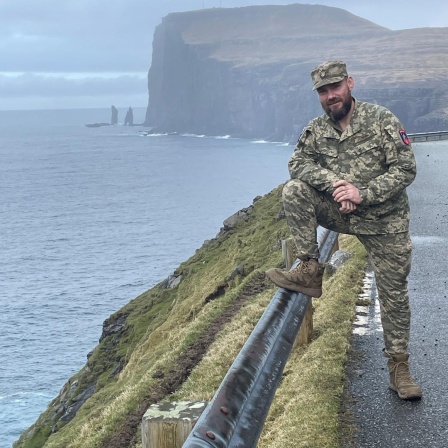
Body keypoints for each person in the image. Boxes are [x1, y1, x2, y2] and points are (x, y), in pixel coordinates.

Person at [266, 60, 422, 400]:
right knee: (293, 190)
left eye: (335, 87)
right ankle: (310, 268)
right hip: (342, 212)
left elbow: (406, 169)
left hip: (385, 220)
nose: (330, 96)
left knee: (393, 294)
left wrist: (362, 194)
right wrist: (337, 184)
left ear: (349, 84)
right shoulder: (316, 130)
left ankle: (399, 368)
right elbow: (297, 163)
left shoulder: (382, 120)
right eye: (323, 91)